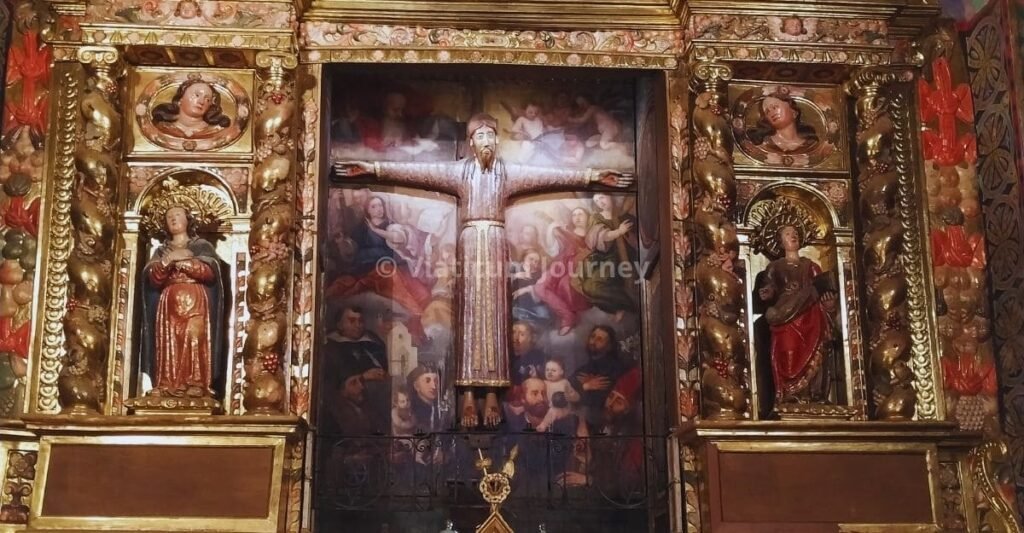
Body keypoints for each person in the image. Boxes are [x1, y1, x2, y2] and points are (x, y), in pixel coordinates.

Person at [336, 113, 632, 429]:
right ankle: (466, 396)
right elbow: (417, 171)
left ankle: (492, 394)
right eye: (481, 136)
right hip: (471, 245)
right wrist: (372, 170)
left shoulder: (506, 173)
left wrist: (594, 177)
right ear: (471, 141)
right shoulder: (460, 172)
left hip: (495, 245)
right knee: (469, 320)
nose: (487, 141)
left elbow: (552, 175)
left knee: (495, 320)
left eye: (492, 136)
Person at [140, 206, 224, 398]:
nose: (173, 219)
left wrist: (183, 262)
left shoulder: (201, 246)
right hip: (168, 303)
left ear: (188, 220)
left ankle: (196, 382)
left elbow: (210, 273)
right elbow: (153, 278)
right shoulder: (161, 250)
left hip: (195, 298)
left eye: (177, 215)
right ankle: (166, 384)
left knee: (195, 335)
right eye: (169, 216)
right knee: (169, 341)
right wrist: (167, 260)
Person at [754, 225, 837, 404]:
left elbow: (822, 289)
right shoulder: (774, 267)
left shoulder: (811, 266)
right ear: (780, 241)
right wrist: (767, 293)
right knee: (788, 352)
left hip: (810, 317)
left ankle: (814, 396)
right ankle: (790, 394)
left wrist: (829, 305)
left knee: (815, 352)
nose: (793, 236)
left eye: (795, 233)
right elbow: (769, 287)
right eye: (788, 234)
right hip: (785, 319)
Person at [534, 208, 594, 335]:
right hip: (560, 263)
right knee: (540, 287)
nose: (577, 217)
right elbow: (558, 245)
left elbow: (579, 243)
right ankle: (567, 314)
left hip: (577, 266)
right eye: (574, 215)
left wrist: (551, 221)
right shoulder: (567, 231)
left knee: (565, 285)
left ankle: (568, 319)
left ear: (588, 217)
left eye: (580, 214)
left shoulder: (592, 234)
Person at [569, 325, 629, 432]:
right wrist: (585, 386)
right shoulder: (584, 368)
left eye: (599, 339)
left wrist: (581, 391)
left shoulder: (616, 369)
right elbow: (565, 390)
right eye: (593, 337)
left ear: (609, 346)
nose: (593, 341)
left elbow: (602, 400)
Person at [151, 79, 231, 139]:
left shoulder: (216, 130)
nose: (201, 102)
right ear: (180, 100)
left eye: (207, 100)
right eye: (196, 95)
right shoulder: (163, 127)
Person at [746, 92, 819, 154]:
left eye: (775, 107)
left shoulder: (811, 145)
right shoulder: (764, 144)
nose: (772, 113)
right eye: (767, 112)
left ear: (794, 112)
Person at [407, 364, 442, 433]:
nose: (434, 386)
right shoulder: (412, 411)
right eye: (427, 381)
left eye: (436, 381)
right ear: (416, 386)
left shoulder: (440, 409)